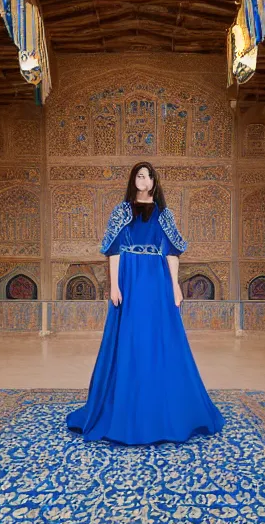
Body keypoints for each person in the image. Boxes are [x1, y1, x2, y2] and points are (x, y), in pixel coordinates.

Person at [67, 161, 224, 444]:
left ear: (154, 181)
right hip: (128, 279)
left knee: (158, 340)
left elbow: (172, 253)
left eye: (148, 175)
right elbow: (113, 251)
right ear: (133, 180)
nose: (143, 179)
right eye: (139, 175)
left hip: (156, 281)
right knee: (129, 340)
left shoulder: (164, 214)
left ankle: (162, 409)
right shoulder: (121, 211)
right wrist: (114, 285)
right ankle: (125, 409)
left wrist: (175, 286)